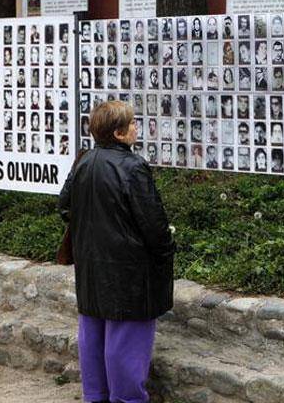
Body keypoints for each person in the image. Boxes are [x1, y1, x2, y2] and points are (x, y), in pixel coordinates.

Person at [59, 101, 175, 403]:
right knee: (126, 342)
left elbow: (65, 207)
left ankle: (95, 395)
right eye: (133, 123)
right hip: (128, 270)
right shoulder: (132, 167)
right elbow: (153, 224)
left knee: (93, 335)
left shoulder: (83, 162)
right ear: (119, 133)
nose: (136, 127)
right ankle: (127, 399)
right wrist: (165, 253)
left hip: (90, 265)